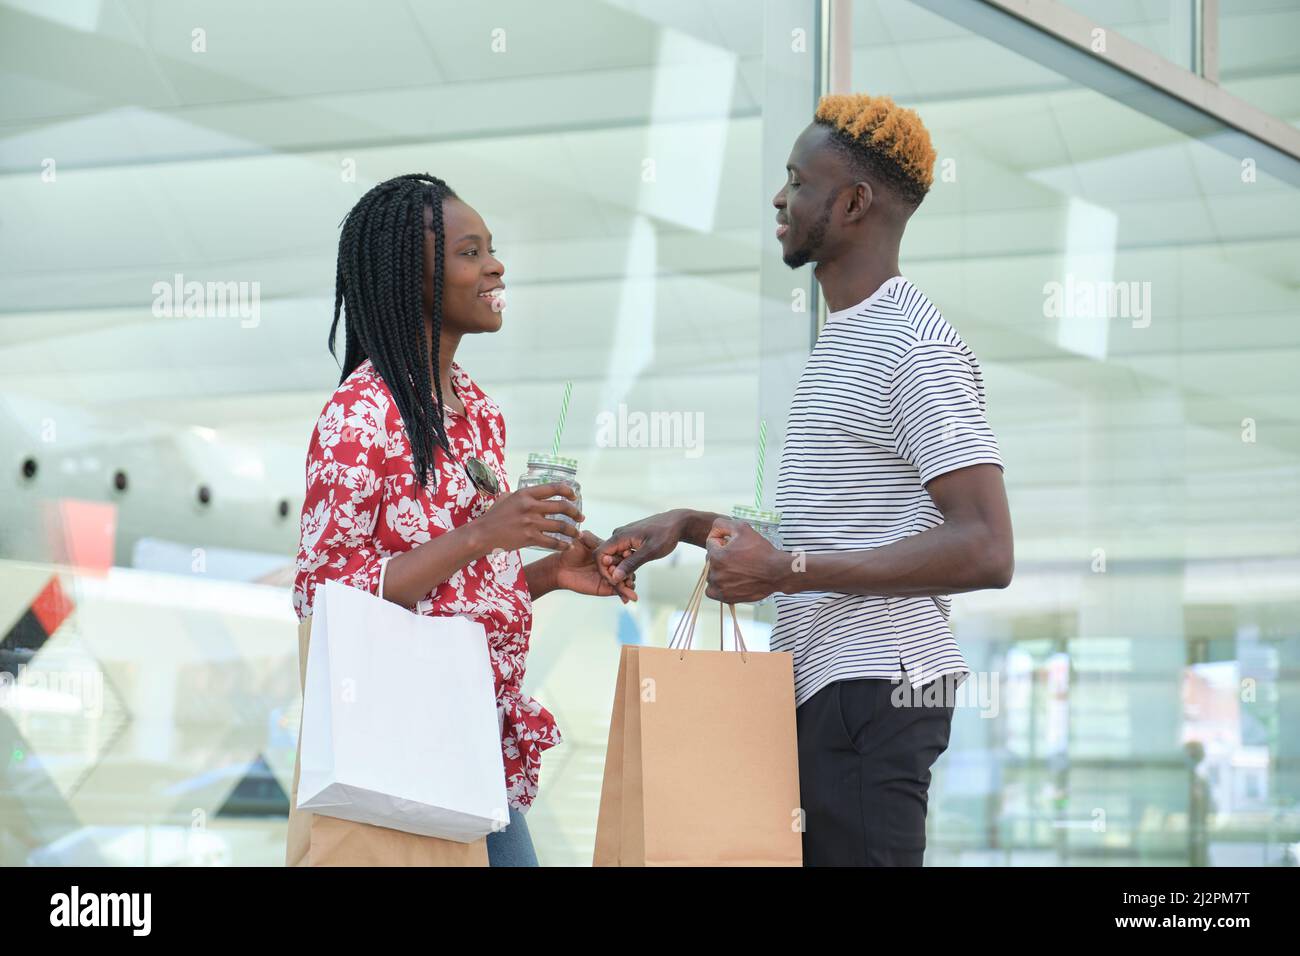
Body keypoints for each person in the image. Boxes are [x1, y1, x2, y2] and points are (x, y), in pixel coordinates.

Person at [596, 94, 1014, 866]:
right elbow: (834, 541)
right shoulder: (846, 339)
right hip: (831, 686)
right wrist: (688, 525)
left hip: (877, 687)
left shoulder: (914, 344)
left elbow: (986, 548)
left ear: (853, 202)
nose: (781, 198)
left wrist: (784, 572)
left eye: (797, 180)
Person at [292, 173, 636, 867]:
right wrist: (482, 533)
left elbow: (459, 590)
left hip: (475, 738)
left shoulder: (478, 410)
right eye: (469, 253)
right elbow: (320, 595)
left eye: (492, 249)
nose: (495, 266)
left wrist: (542, 573)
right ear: (407, 277)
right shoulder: (360, 415)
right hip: (404, 750)